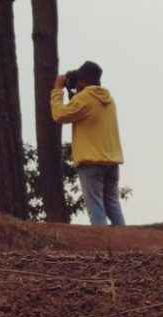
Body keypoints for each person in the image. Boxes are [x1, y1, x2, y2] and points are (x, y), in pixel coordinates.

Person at [51, 60, 126, 226]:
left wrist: (57, 90)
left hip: (91, 162)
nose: (75, 83)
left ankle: (103, 247)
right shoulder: (108, 99)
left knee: (95, 207)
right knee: (112, 204)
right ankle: (125, 246)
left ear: (83, 81)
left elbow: (59, 115)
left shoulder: (85, 98)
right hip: (112, 161)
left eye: (78, 80)